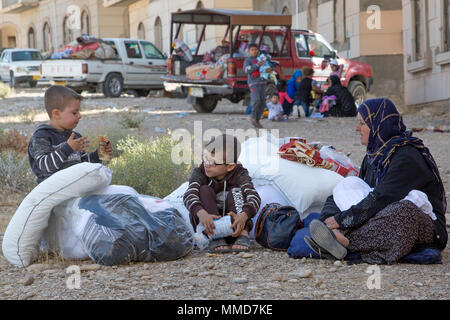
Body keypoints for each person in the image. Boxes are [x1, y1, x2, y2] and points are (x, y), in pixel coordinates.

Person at [304, 98, 447, 264]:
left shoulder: (407, 156)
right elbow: (359, 195)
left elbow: (382, 197)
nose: (357, 128)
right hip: (380, 215)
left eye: (362, 123)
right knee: (346, 186)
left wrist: (342, 220)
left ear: (379, 124)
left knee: (404, 211)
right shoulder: (374, 156)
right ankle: (330, 235)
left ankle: (346, 242)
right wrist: (328, 220)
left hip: (423, 227)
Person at [183, 134, 261, 253]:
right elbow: (189, 194)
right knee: (203, 190)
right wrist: (201, 213)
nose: (207, 164)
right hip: (209, 225)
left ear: (230, 166)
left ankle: (243, 233)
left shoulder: (240, 173)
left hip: (234, 224)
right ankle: (215, 236)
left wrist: (243, 216)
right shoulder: (200, 172)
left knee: (237, 191)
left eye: (213, 162)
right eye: (205, 159)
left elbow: (254, 197)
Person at [28, 85, 112, 183]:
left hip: (75, 189)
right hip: (52, 192)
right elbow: (45, 167)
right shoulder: (42, 136)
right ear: (56, 114)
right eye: (74, 113)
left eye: (79, 111)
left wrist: (98, 155)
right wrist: (68, 148)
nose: (80, 116)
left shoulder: (75, 137)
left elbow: (83, 166)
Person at [244, 43, 269, 128]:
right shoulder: (248, 60)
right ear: (249, 51)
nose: (254, 51)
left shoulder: (262, 58)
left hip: (262, 83)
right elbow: (247, 70)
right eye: (252, 50)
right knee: (256, 100)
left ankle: (257, 119)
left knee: (262, 102)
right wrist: (257, 65)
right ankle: (253, 117)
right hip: (254, 83)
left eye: (256, 49)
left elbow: (267, 68)